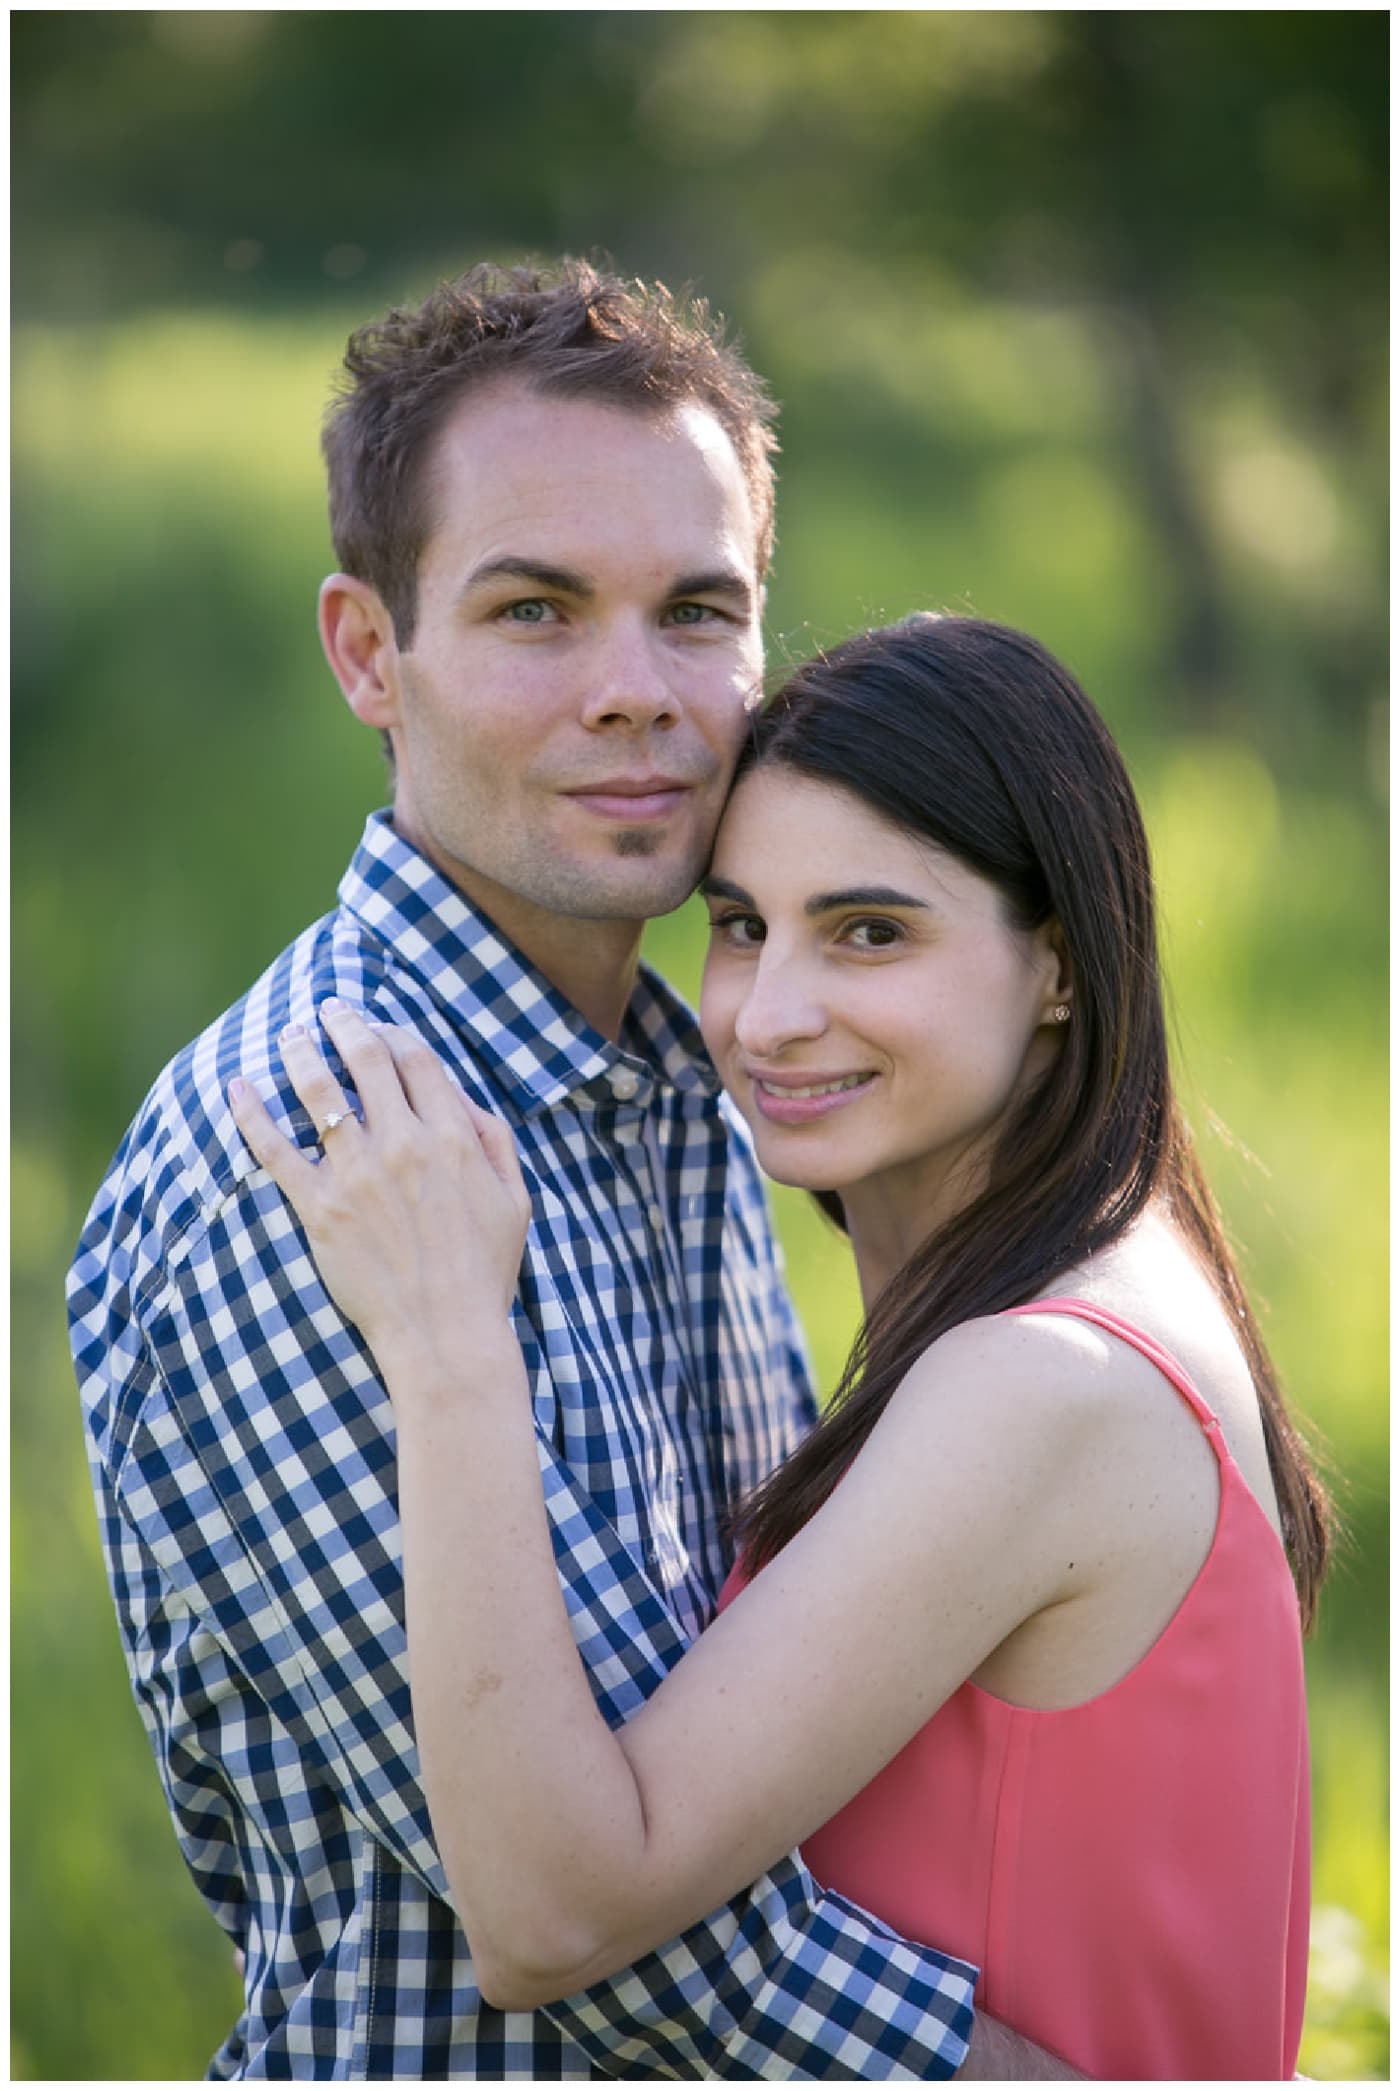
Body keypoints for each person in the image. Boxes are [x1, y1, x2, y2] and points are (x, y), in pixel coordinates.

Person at [68, 261, 1064, 2078]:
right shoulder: (312, 1152)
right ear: (372, 653)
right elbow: (645, 1959)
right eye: (536, 612)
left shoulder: (689, 1068)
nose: (638, 696)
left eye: (697, 611)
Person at [229, 613, 1329, 2081]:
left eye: (871, 930)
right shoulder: (1112, 1272)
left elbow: (551, 1915)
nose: (772, 1016)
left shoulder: (1044, 1383)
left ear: (1058, 966)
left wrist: (447, 1345)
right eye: (743, 926)